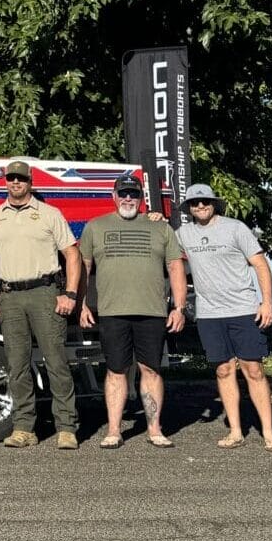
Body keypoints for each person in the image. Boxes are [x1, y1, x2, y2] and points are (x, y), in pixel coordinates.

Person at [0, 159, 84, 450]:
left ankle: (66, 427)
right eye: (11, 178)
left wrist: (71, 294)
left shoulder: (49, 214)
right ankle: (24, 427)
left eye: (21, 179)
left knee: (56, 361)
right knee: (17, 365)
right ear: (5, 182)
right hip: (10, 297)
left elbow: (72, 255)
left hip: (45, 293)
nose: (16, 183)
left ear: (30, 182)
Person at [78, 175, 187, 449]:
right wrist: (80, 303)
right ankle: (114, 430)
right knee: (116, 370)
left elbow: (175, 268)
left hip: (152, 311)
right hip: (112, 312)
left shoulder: (160, 229)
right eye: (123, 193)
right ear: (114, 196)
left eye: (134, 194)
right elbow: (83, 269)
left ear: (141, 199)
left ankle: (154, 429)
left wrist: (179, 307)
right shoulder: (96, 227)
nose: (128, 199)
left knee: (151, 369)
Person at [175, 184, 272, 451]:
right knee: (223, 370)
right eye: (195, 203)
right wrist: (153, 217)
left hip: (244, 310)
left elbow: (260, 264)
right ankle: (235, 431)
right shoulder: (182, 234)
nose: (200, 206)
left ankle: (269, 432)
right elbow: (164, 249)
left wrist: (266, 303)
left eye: (205, 202)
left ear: (214, 203)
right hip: (210, 314)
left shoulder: (235, 228)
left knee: (253, 370)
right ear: (188, 208)